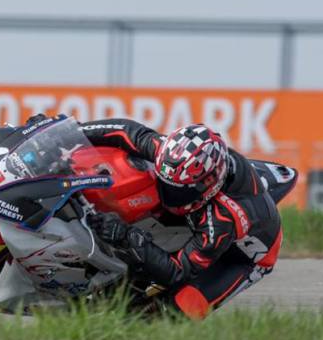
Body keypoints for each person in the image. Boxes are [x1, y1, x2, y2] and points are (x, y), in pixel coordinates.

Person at [78, 118, 293, 320]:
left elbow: (177, 271)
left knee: (178, 309)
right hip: (202, 214)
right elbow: (125, 131)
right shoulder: (172, 154)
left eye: (179, 191)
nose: (169, 194)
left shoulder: (223, 218)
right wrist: (76, 130)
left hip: (243, 256)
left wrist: (126, 236)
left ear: (208, 186)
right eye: (166, 184)